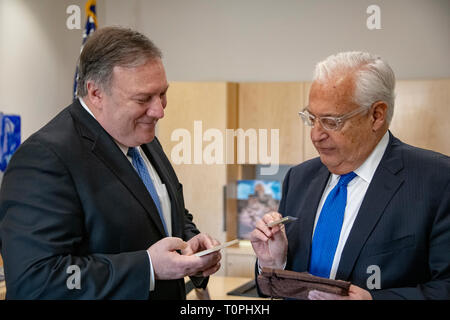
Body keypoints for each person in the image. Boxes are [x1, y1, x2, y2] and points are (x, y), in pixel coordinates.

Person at [0, 26, 222, 299]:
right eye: (143, 99)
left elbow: (164, 215)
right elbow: (36, 280)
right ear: (95, 93)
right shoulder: (45, 157)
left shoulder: (143, 137)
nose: (160, 111)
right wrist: (147, 267)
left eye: (162, 94)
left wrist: (190, 246)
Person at [250, 51, 450, 300]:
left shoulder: (438, 180)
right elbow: (275, 288)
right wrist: (273, 266)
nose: (315, 135)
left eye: (331, 121)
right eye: (311, 118)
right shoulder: (298, 179)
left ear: (376, 115)